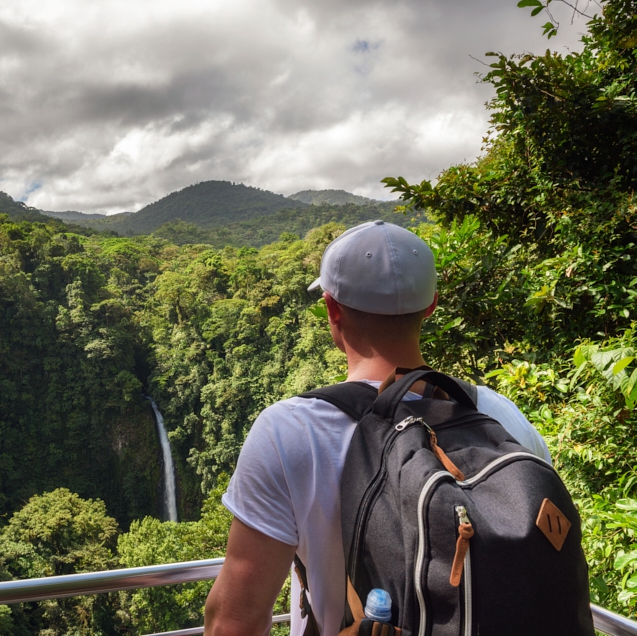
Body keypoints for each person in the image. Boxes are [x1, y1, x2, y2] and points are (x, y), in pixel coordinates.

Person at [202, 220, 550, 636]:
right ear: (431, 306)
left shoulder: (290, 432)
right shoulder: (503, 416)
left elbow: (232, 622)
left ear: (332, 309)